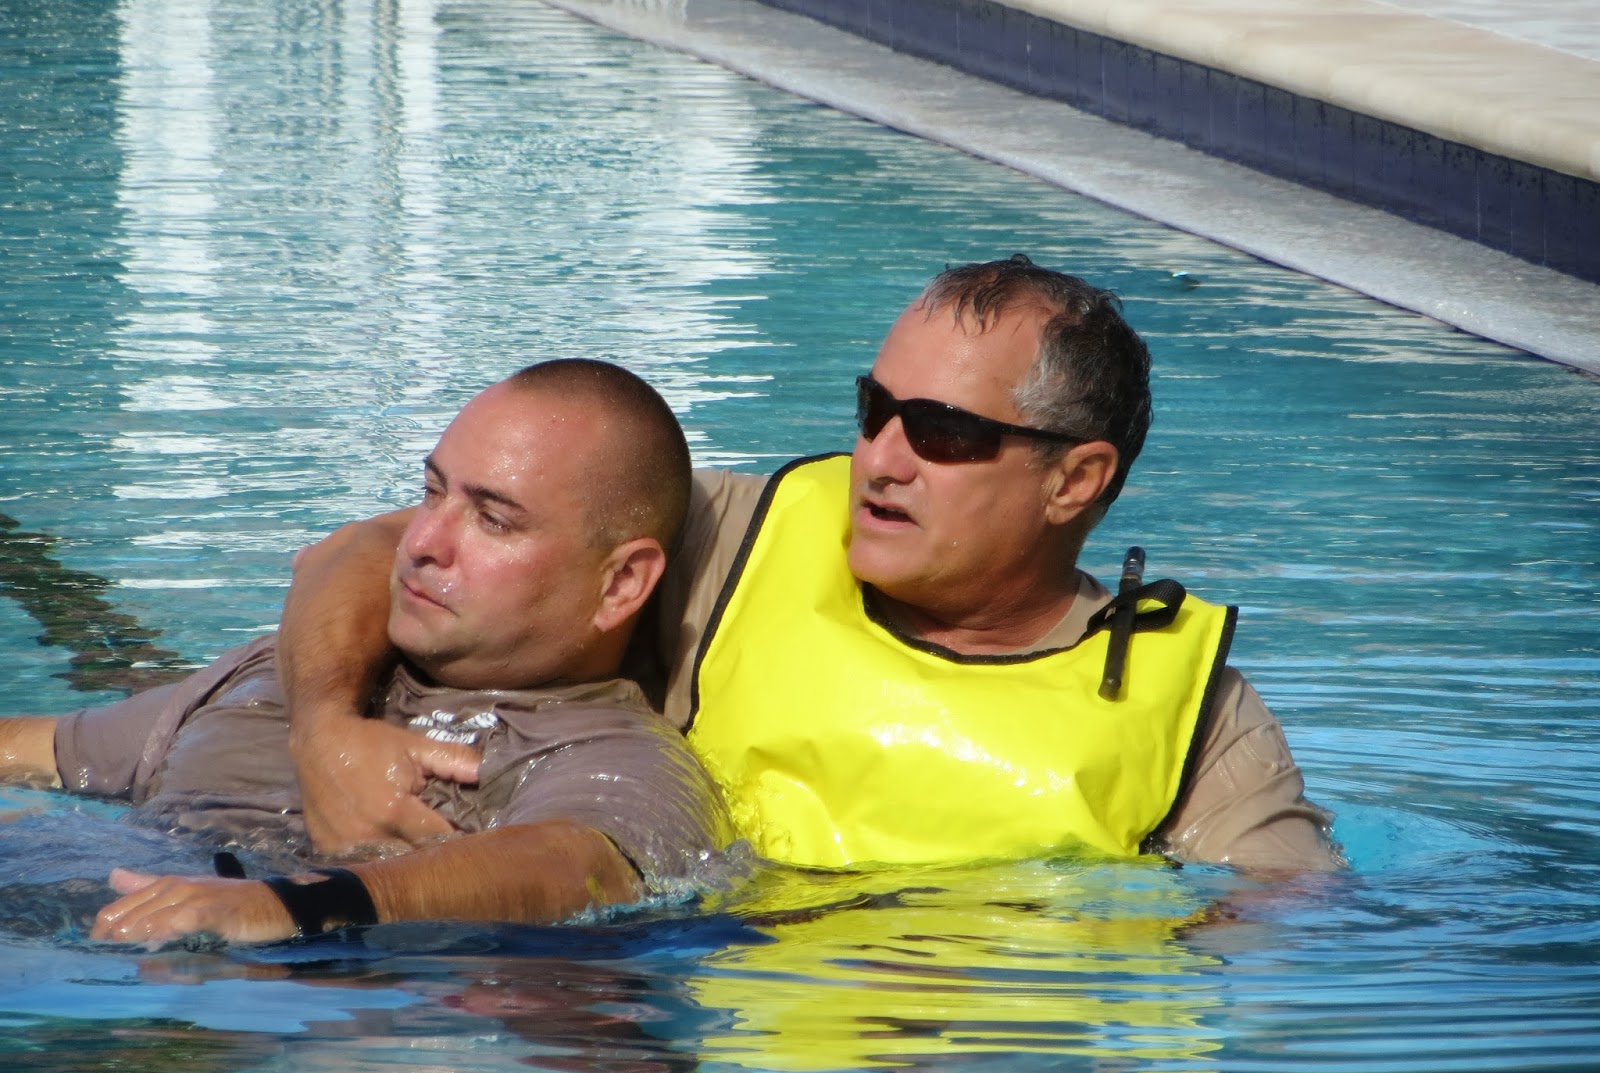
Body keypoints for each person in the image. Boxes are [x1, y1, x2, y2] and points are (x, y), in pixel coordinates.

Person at [275, 258, 1338, 873]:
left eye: (943, 433)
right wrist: (324, 728)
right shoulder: (740, 538)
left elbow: (1285, 947)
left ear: (1075, 480)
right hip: (670, 1034)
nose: (881, 459)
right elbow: (372, 552)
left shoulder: (1190, 721)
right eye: (876, 411)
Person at [0, 359, 731, 945]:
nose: (421, 542)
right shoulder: (282, 673)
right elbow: (38, 751)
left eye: (493, 521)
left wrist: (289, 907)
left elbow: (575, 867)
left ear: (620, 584)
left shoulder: (606, 753)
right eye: (432, 493)